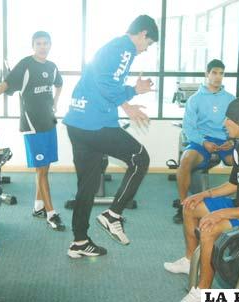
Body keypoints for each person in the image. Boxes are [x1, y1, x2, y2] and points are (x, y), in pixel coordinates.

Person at [164, 96, 239, 302]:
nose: (224, 123)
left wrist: (218, 214)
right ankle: (188, 261)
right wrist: (203, 194)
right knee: (190, 207)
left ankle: (203, 293)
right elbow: (233, 185)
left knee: (209, 228)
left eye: (228, 119)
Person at [63, 15, 159, 258]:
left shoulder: (112, 47)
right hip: (95, 124)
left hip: (77, 122)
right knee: (140, 159)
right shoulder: (125, 48)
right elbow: (106, 84)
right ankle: (112, 214)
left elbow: (100, 82)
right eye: (148, 44)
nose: (145, 50)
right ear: (143, 34)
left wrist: (131, 93)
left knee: (87, 185)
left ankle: (79, 241)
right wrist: (130, 101)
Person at [0, 31, 65, 231]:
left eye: (46, 43)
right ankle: (51, 213)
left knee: (44, 168)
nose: (43, 47)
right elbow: (6, 84)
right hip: (32, 125)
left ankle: (38, 206)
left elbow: (60, 84)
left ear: (50, 45)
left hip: (49, 123)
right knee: (42, 171)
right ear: (33, 46)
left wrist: (55, 104)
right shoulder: (26, 65)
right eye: (39, 43)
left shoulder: (52, 67)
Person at [174, 59, 236, 223]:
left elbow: (237, 124)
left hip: (224, 139)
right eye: (214, 73)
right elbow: (189, 128)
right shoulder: (195, 99)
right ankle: (183, 205)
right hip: (202, 140)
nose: (218, 77)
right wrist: (203, 142)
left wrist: (231, 140)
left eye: (221, 73)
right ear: (207, 74)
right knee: (185, 161)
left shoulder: (230, 99)